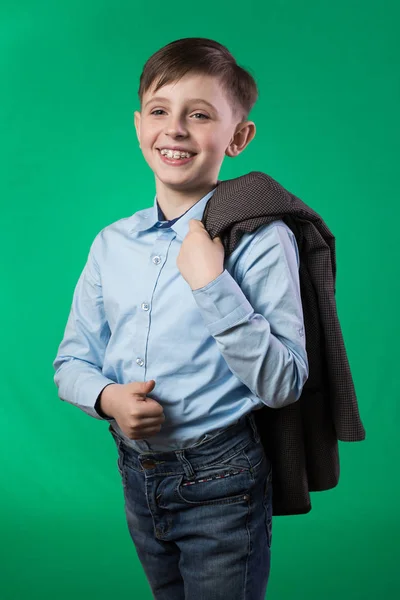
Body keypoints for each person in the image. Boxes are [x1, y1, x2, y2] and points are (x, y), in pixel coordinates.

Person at [53, 37, 309, 600]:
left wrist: (210, 283)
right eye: (162, 112)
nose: (176, 129)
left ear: (238, 138)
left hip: (223, 479)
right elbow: (70, 361)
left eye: (200, 115)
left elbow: (285, 382)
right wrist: (108, 399)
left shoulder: (261, 240)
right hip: (137, 478)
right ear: (140, 124)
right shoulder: (111, 244)